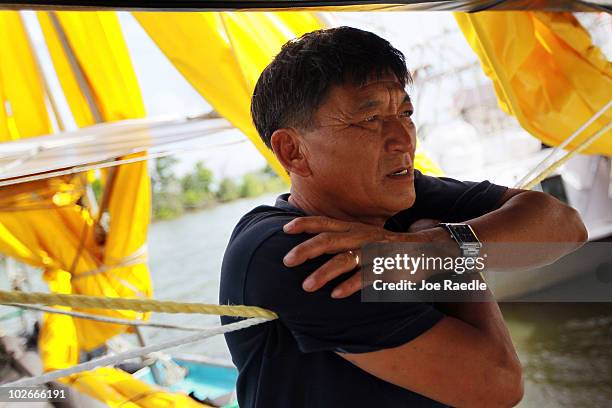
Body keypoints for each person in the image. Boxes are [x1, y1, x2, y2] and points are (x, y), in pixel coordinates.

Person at [219, 27, 587, 407]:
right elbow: (497, 384)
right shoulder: (295, 248)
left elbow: (566, 226)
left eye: (406, 113)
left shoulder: (401, 196)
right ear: (293, 151)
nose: (404, 138)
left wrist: (435, 246)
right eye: (370, 118)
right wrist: (449, 261)